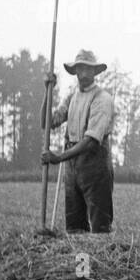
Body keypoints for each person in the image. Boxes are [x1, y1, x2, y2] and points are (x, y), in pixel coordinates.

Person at [42, 50, 115, 233]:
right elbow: (47, 122)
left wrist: (59, 157)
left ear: (95, 72)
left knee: (100, 228)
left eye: (87, 69)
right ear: (75, 72)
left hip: (95, 165)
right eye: (79, 69)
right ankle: (81, 262)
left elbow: (91, 141)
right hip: (72, 167)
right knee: (74, 227)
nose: (83, 74)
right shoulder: (72, 98)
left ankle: (96, 261)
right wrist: (47, 91)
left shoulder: (102, 99)